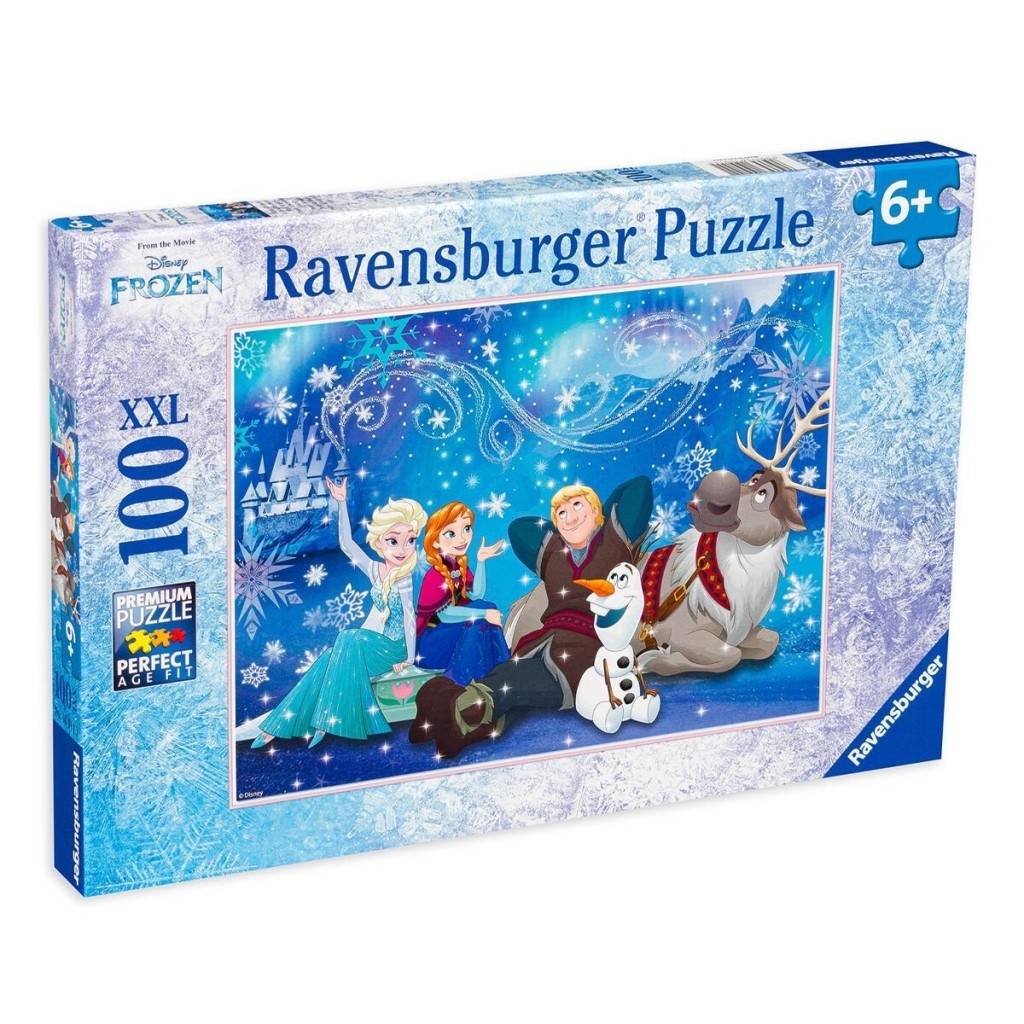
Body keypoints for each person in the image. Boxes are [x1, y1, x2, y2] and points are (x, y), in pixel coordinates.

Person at [409, 476, 652, 757]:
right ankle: (447, 724)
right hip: (544, 640)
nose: (570, 517)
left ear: (596, 511)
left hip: (585, 649)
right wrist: (557, 533)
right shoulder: (555, 553)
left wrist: (603, 517)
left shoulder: (614, 542)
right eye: (562, 513)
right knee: (511, 683)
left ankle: (452, 709)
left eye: (578, 506)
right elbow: (519, 529)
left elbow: (639, 487)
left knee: (516, 684)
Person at [250, 478, 427, 748]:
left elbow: (409, 617)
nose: (402, 550)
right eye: (394, 541)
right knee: (327, 658)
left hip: (394, 649)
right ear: (379, 542)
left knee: (347, 637)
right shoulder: (375, 569)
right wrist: (340, 502)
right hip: (374, 644)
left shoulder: (404, 577)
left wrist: (409, 658)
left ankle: (327, 723)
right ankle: (278, 726)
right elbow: (346, 544)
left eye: (410, 540)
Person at [416, 502, 510, 686]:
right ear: (435, 540)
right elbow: (445, 615)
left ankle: (500, 670)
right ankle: (462, 680)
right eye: (451, 533)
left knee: (487, 607)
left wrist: (480, 561)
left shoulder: (459, 566)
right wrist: (484, 614)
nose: (462, 538)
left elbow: (476, 595)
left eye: (466, 529)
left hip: (451, 635)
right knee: (481, 614)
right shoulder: (434, 575)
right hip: (431, 647)